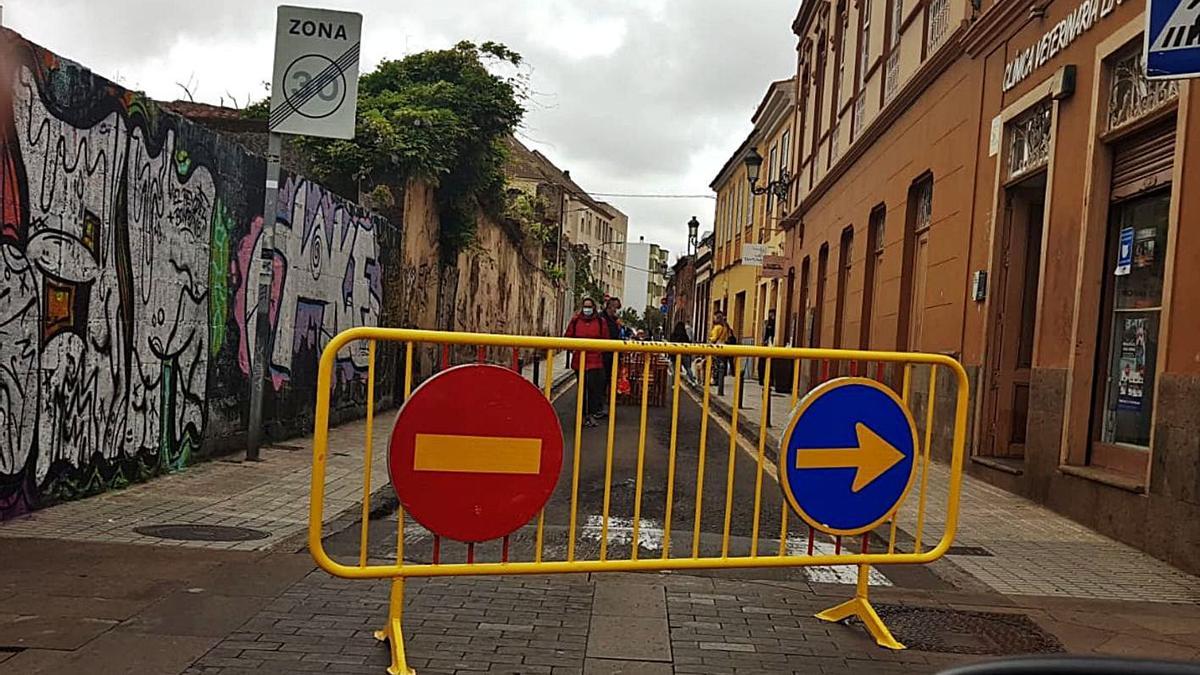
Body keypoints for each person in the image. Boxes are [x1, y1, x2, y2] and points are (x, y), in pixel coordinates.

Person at [564, 297, 610, 426]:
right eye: (585, 306)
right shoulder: (575, 321)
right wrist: (572, 349)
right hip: (579, 361)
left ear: (594, 308)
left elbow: (606, 340)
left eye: (590, 307)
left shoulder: (601, 322)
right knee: (582, 389)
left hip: (595, 362)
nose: (587, 309)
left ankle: (590, 414)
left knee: (593, 390)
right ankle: (582, 415)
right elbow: (568, 337)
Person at [708, 311, 736, 383]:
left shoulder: (717, 328)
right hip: (723, 346)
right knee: (721, 364)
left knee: (715, 364)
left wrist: (709, 339)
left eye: (714, 318)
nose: (713, 319)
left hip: (716, 347)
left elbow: (714, 338)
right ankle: (720, 380)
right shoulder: (725, 327)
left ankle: (714, 380)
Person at [758, 309, 777, 385]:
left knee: (764, 363)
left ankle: (764, 380)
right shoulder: (769, 323)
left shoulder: (770, 323)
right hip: (768, 346)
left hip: (768, 346)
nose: (771, 316)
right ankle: (764, 380)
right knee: (764, 363)